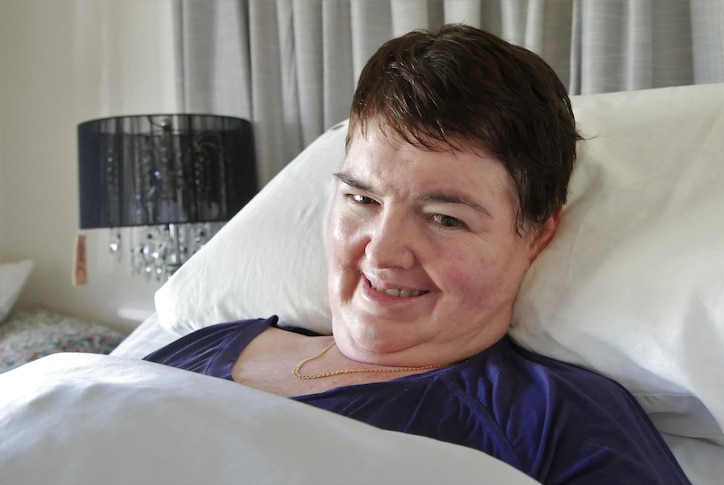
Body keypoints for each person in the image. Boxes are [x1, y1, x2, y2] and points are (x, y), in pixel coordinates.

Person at [145, 24, 689, 484]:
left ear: (537, 236)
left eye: (445, 218)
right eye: (363, 198)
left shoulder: (551, 420)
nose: (381, 252)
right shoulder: (207, 346)